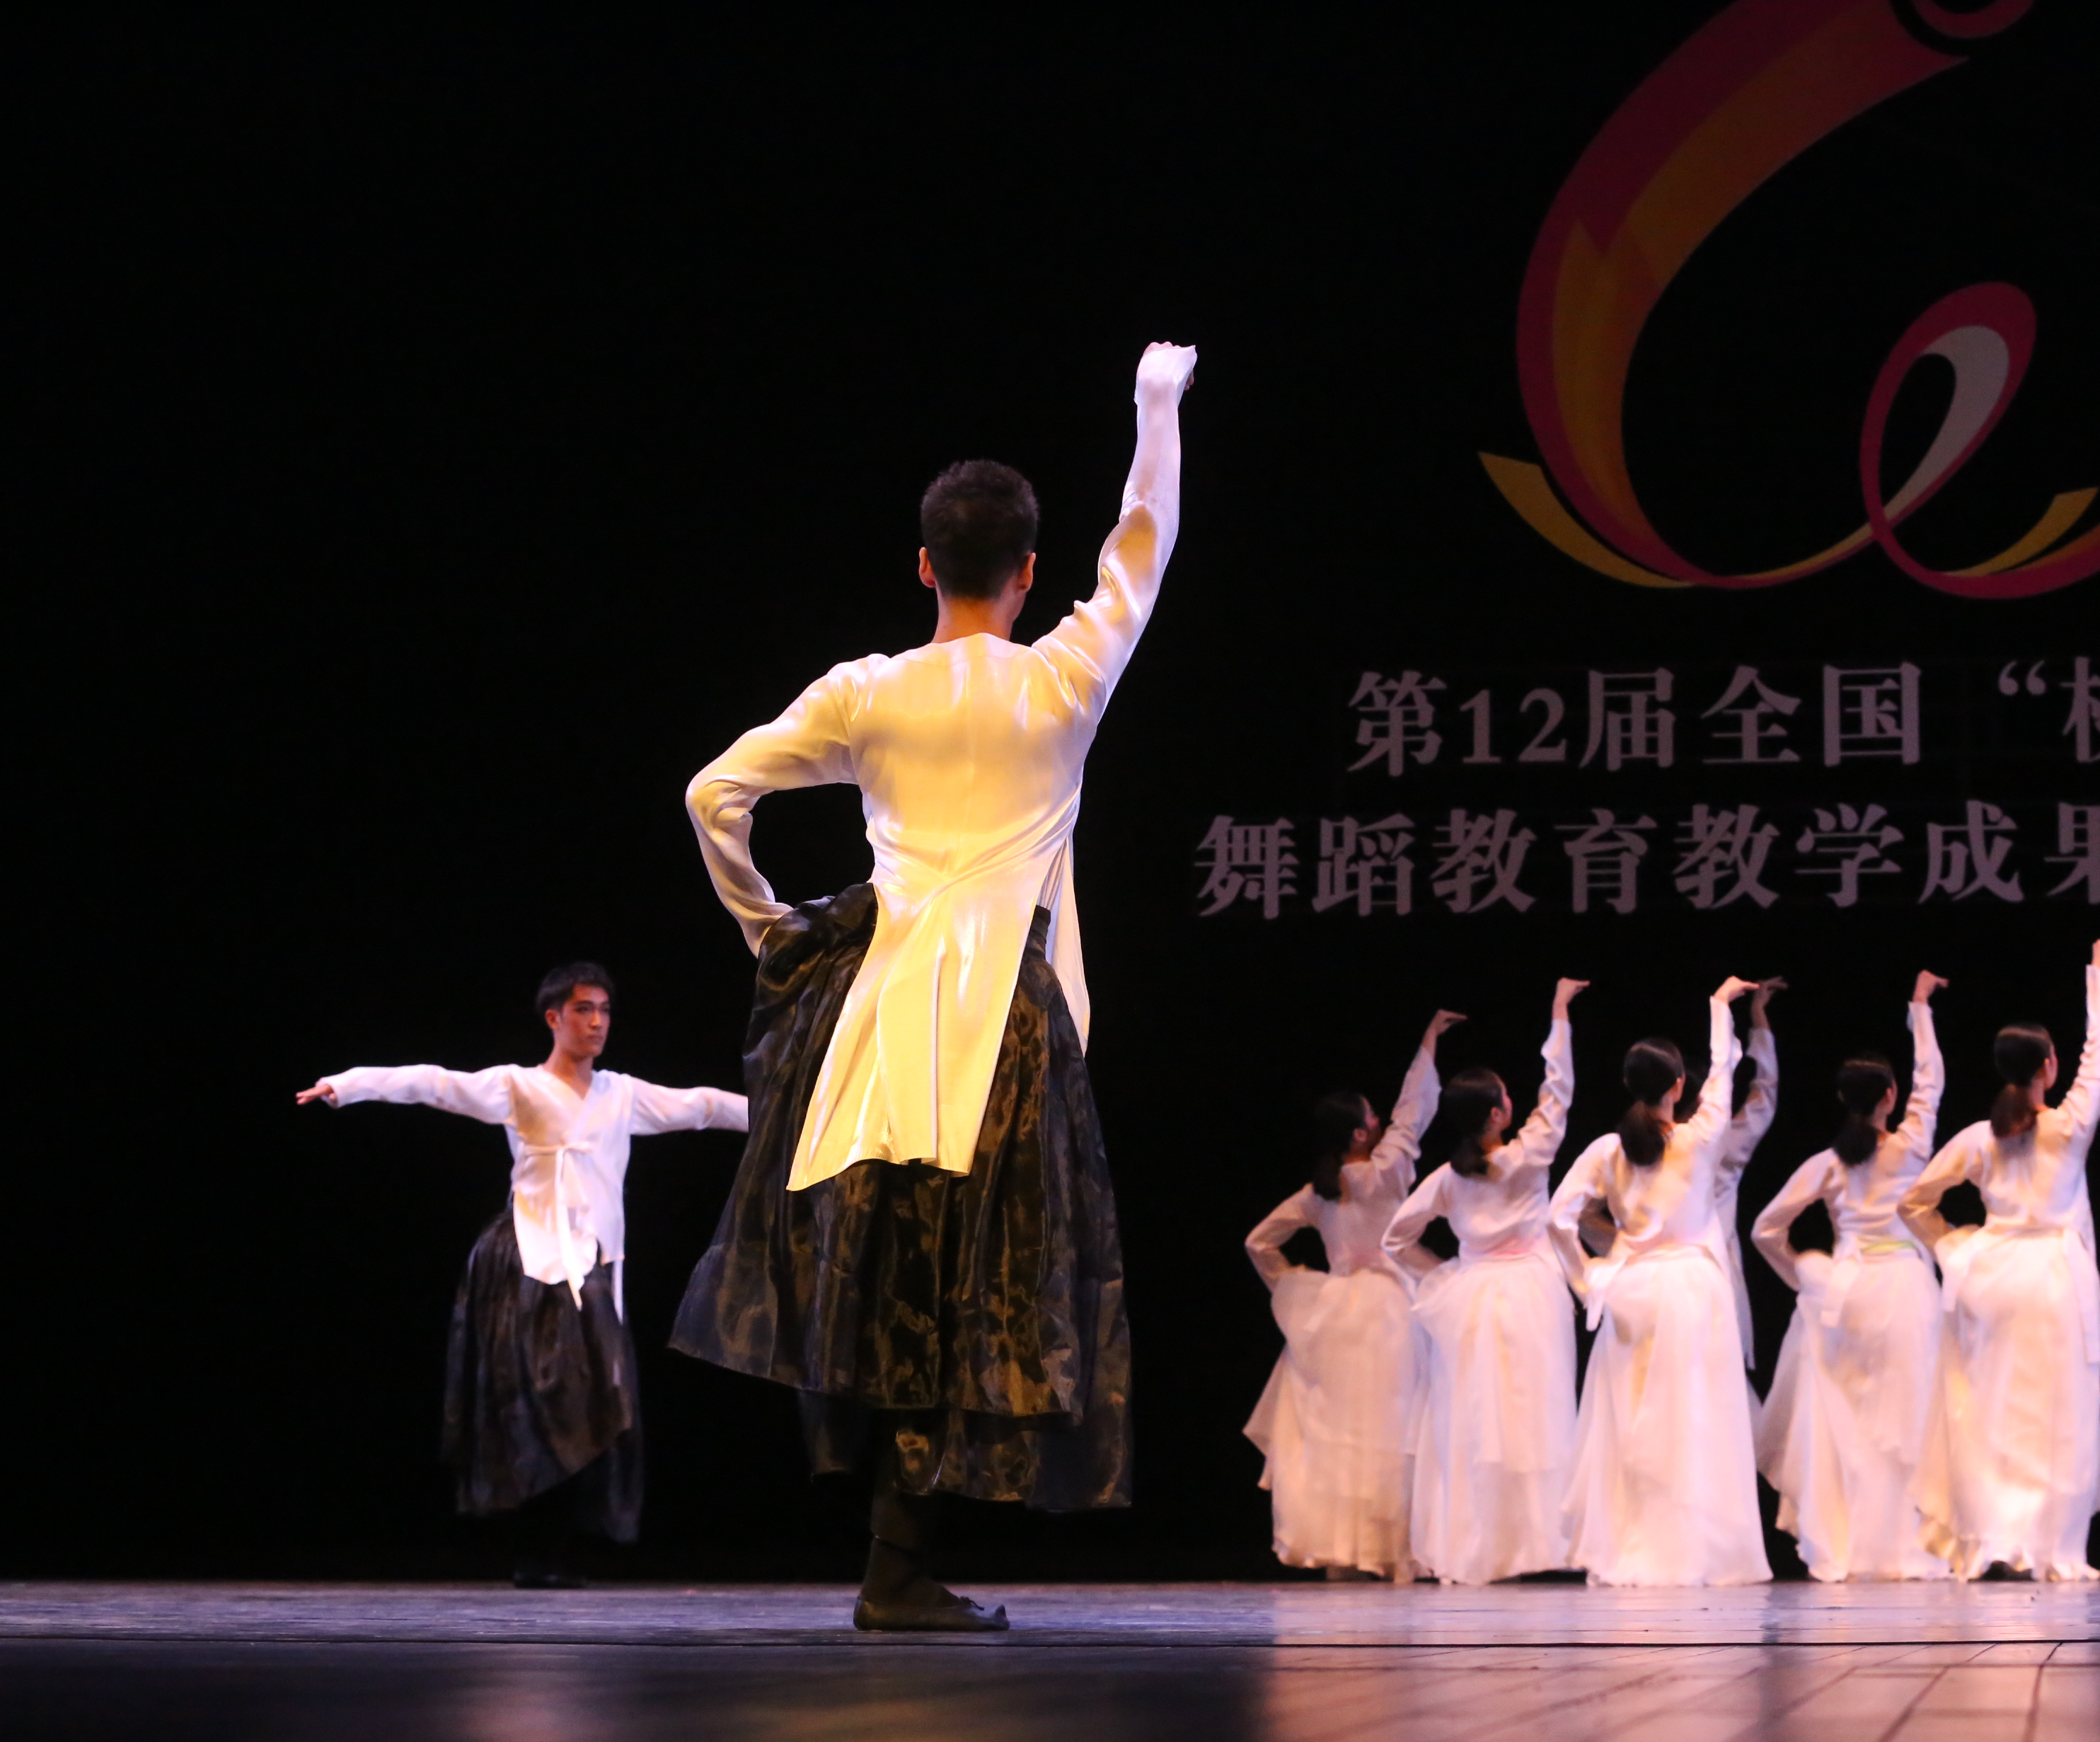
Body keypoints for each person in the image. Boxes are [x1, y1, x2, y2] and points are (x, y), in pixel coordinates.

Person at [670, 342, 1198, 1632]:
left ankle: (894, 1563)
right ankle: (896, 1565)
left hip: (885, 1013)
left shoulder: (868, 691)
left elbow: (713, 794)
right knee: (980, 1286)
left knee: (895, 1275)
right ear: (1027, 574)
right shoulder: (1063, 678)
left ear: (924, 567)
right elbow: (1141, 547)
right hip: (1005, 1022)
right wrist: (1155, 405)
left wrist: (774, 933)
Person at [297, 963, 747, 1586]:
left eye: (604, 1011)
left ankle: (556, 1546)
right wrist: (349, 1085)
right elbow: (434, 1083)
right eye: (584, 1010)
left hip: (592, 1265)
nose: (597, 1022)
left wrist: (791, 1121)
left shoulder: (620, 1095)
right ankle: (534, 1549)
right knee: (541, 1398)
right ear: (554, 1018)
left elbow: (703, 1106)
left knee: (594, 1399)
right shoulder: (520, 1086)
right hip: (531, 1260)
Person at [1900, 940, 2100, 1583]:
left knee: (1991, 1409)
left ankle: (1996, 1537)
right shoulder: (2068, 1125)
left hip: (1992, 1274)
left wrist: (1955, 1247)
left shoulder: (1981, 1138)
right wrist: (2097, 973)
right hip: (2053, 1277)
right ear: (2049, 1067)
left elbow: (1914, 1203)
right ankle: (2051, 1546)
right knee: (2060, 1412)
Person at [1551, 977, 1773, 1588]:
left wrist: (1589, 1278)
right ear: (1679, 1085)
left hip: (1631, 1290)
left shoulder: (1608, 1150)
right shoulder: (1699, 1138)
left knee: (1631, 1421)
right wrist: (1719, 1005)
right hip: (1693, 1292)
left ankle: (1632, 1544)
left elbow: (1557, 1218)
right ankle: (1689, 1551)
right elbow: (1723, 1071)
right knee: (1694, 1422)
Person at [1242, 1009, 1466, 1580]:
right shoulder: (1386, 1172)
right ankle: (1389, 1550)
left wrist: (1293, 1284)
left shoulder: (1319, 1192)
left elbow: (1258, 1242)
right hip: (1389, 1311)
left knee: (1337, 1434)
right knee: (1393, 1430)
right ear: (1361, 1134)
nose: (1380, 1119)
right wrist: (1428, 1044)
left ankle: (1341, 1549)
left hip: (1336, 1314)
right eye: (1371, 1116)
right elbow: (1414, 1113)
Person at [1380, 979, 1589, 1585]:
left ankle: (1483, 1544)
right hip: (1529, 1293)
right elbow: (1559, 1091)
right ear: (1497, 1113)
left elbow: (1396, 1238)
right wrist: (1559, 1013)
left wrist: (1446, 1274)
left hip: (1472, 1299)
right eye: (1505, 1097)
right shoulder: (1526, 1156)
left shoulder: (1450, 1178)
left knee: (1476, 1422)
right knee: (1533, 1416)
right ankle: (1533, 1541)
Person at [1750, 969, 1949, 1581]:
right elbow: (1932, 1081)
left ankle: (1848, 1537)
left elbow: (1765, 1230)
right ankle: (1900, 1540)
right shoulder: (1911, 1146)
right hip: (1904, 1288)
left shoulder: (1829, 1164)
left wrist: (1806, 1277)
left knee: (1850, 1423)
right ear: (1889, 1096)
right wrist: (1919, 1007)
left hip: (1846, 1291)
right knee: (1905, 1420)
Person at [1710, 981, 1784, 1369]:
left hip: (1656, 1281)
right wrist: (1757, 1016)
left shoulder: (1641, 1147)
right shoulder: (1716, 1144)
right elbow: (1764, 1093)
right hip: (1715, 1275)